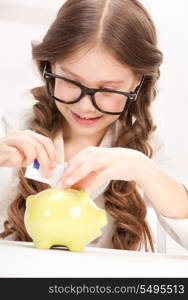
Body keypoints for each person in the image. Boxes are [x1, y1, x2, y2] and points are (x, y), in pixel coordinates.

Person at [0, 0, 187, 252]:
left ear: (136, 83)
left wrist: (147, 172)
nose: (86, 106)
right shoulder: (10, 129)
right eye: (71, 81)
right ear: (50, 65)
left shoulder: (147, 150)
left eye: (108, 89)